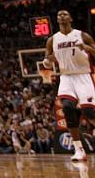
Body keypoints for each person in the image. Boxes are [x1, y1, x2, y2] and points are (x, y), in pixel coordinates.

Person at [44, 10, 95, 162]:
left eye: (65, 14)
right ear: (57, 19)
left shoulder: (82, 35)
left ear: (71, 18)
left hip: (83, 75)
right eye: (59, 15)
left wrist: (88, 49)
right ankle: (79, 150)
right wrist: (49, 61)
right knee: (67, 108)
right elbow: (47, 61)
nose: (62, 16)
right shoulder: (52, 40)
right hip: (66, 77)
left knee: (89, 112)